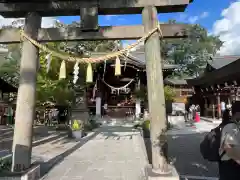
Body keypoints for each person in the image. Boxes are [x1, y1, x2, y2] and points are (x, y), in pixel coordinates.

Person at [218, 103, 240, 180]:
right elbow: (229, 148)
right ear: (237, 113)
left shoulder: (235, 125)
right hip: (230, 166)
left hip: (231, 165)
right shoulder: (230, 127)